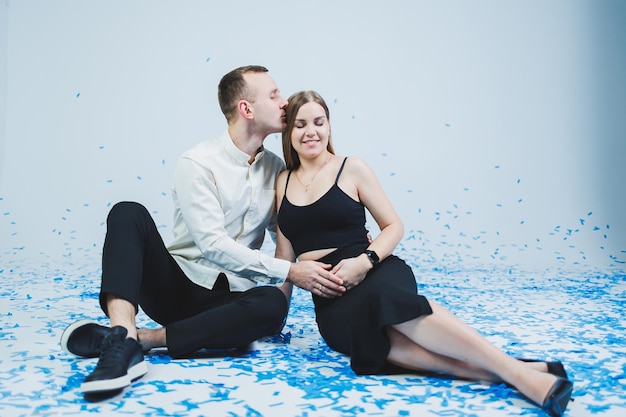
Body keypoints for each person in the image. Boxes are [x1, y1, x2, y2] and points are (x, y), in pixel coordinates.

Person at [274, 90, 573, 417]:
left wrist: (364, 262)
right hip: (332, 301)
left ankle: (519, 376)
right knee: (374, 339)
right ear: (289, 134)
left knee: (386, 304)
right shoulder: (283, 182)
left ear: (329, 126)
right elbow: (284, 256)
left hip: (375, 270)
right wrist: (276, 315)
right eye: (301, 125)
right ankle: (518, 370)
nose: (311, 131)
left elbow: (393, 226)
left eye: (319, 122)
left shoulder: (352, 167)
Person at [59, 67, 346, 396]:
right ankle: (121, 335)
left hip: (228, 301)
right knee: (127, 212)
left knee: (272, 303)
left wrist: (346, 242)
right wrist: (292, 271)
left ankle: (140, 340)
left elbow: (292, 233)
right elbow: (212, 244)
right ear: (246, 109)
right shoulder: (198, 162)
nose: (284, 103)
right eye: (274, 94)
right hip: (177, 286)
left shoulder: (276, 169)